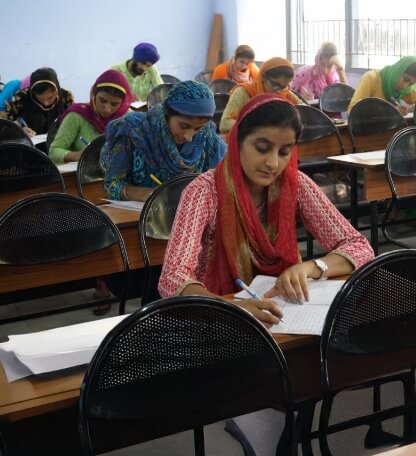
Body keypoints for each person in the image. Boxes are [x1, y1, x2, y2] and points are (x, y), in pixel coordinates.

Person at [159, 94, 374, 327]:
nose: (273, 163)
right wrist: (234, 307)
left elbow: (359, 247)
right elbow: (172, 278)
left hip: (282, 310)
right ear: (237, 141)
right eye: (262, 148)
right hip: (216, 314)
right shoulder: (204, 192)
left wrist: (311, 267)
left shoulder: (295, 185)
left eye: (284, 152)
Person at [101, 80, 227, 202]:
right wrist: (148, 194)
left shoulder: (208, 139)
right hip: (136, 217)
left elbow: (222, 185)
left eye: (198, 128)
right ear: (166, 115)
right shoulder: (133, 132)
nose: (189, 137)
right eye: (184, 126)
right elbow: (112, 184)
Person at [49, 69, 132, 164]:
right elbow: (53, 152)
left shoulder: (128, 118)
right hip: (83, 176)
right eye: (102, 101)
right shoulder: (77, 115)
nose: (107, 109)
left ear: (123, 103)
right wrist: (77, 155)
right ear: (94, 95)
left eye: (114, 104)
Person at [219, 57, 304, 135]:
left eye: (284, 86)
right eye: (276, 85)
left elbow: (306, 111)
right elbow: (225, 123)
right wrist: (258, 126)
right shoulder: (244, 92)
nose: (279, 91)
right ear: (263, 77)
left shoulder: (285, 93)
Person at [5, 68, 74, 136]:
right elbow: (4, 122)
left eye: (50, 98)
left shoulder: (66, 97)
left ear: (57, 91)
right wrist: (19, 130)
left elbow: (75, 120)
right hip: (30, 143)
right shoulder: (22, 97)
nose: (45, 103)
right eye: (40, 99)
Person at [348, 56, 416, 113]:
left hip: (391, 127)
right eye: (405, 80)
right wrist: (389, 110)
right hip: (367, 127)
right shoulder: (371, 78)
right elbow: (353, 109)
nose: (405, 86)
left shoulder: (407, 89)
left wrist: (411, 109)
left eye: (411, 84)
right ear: (397, 71)